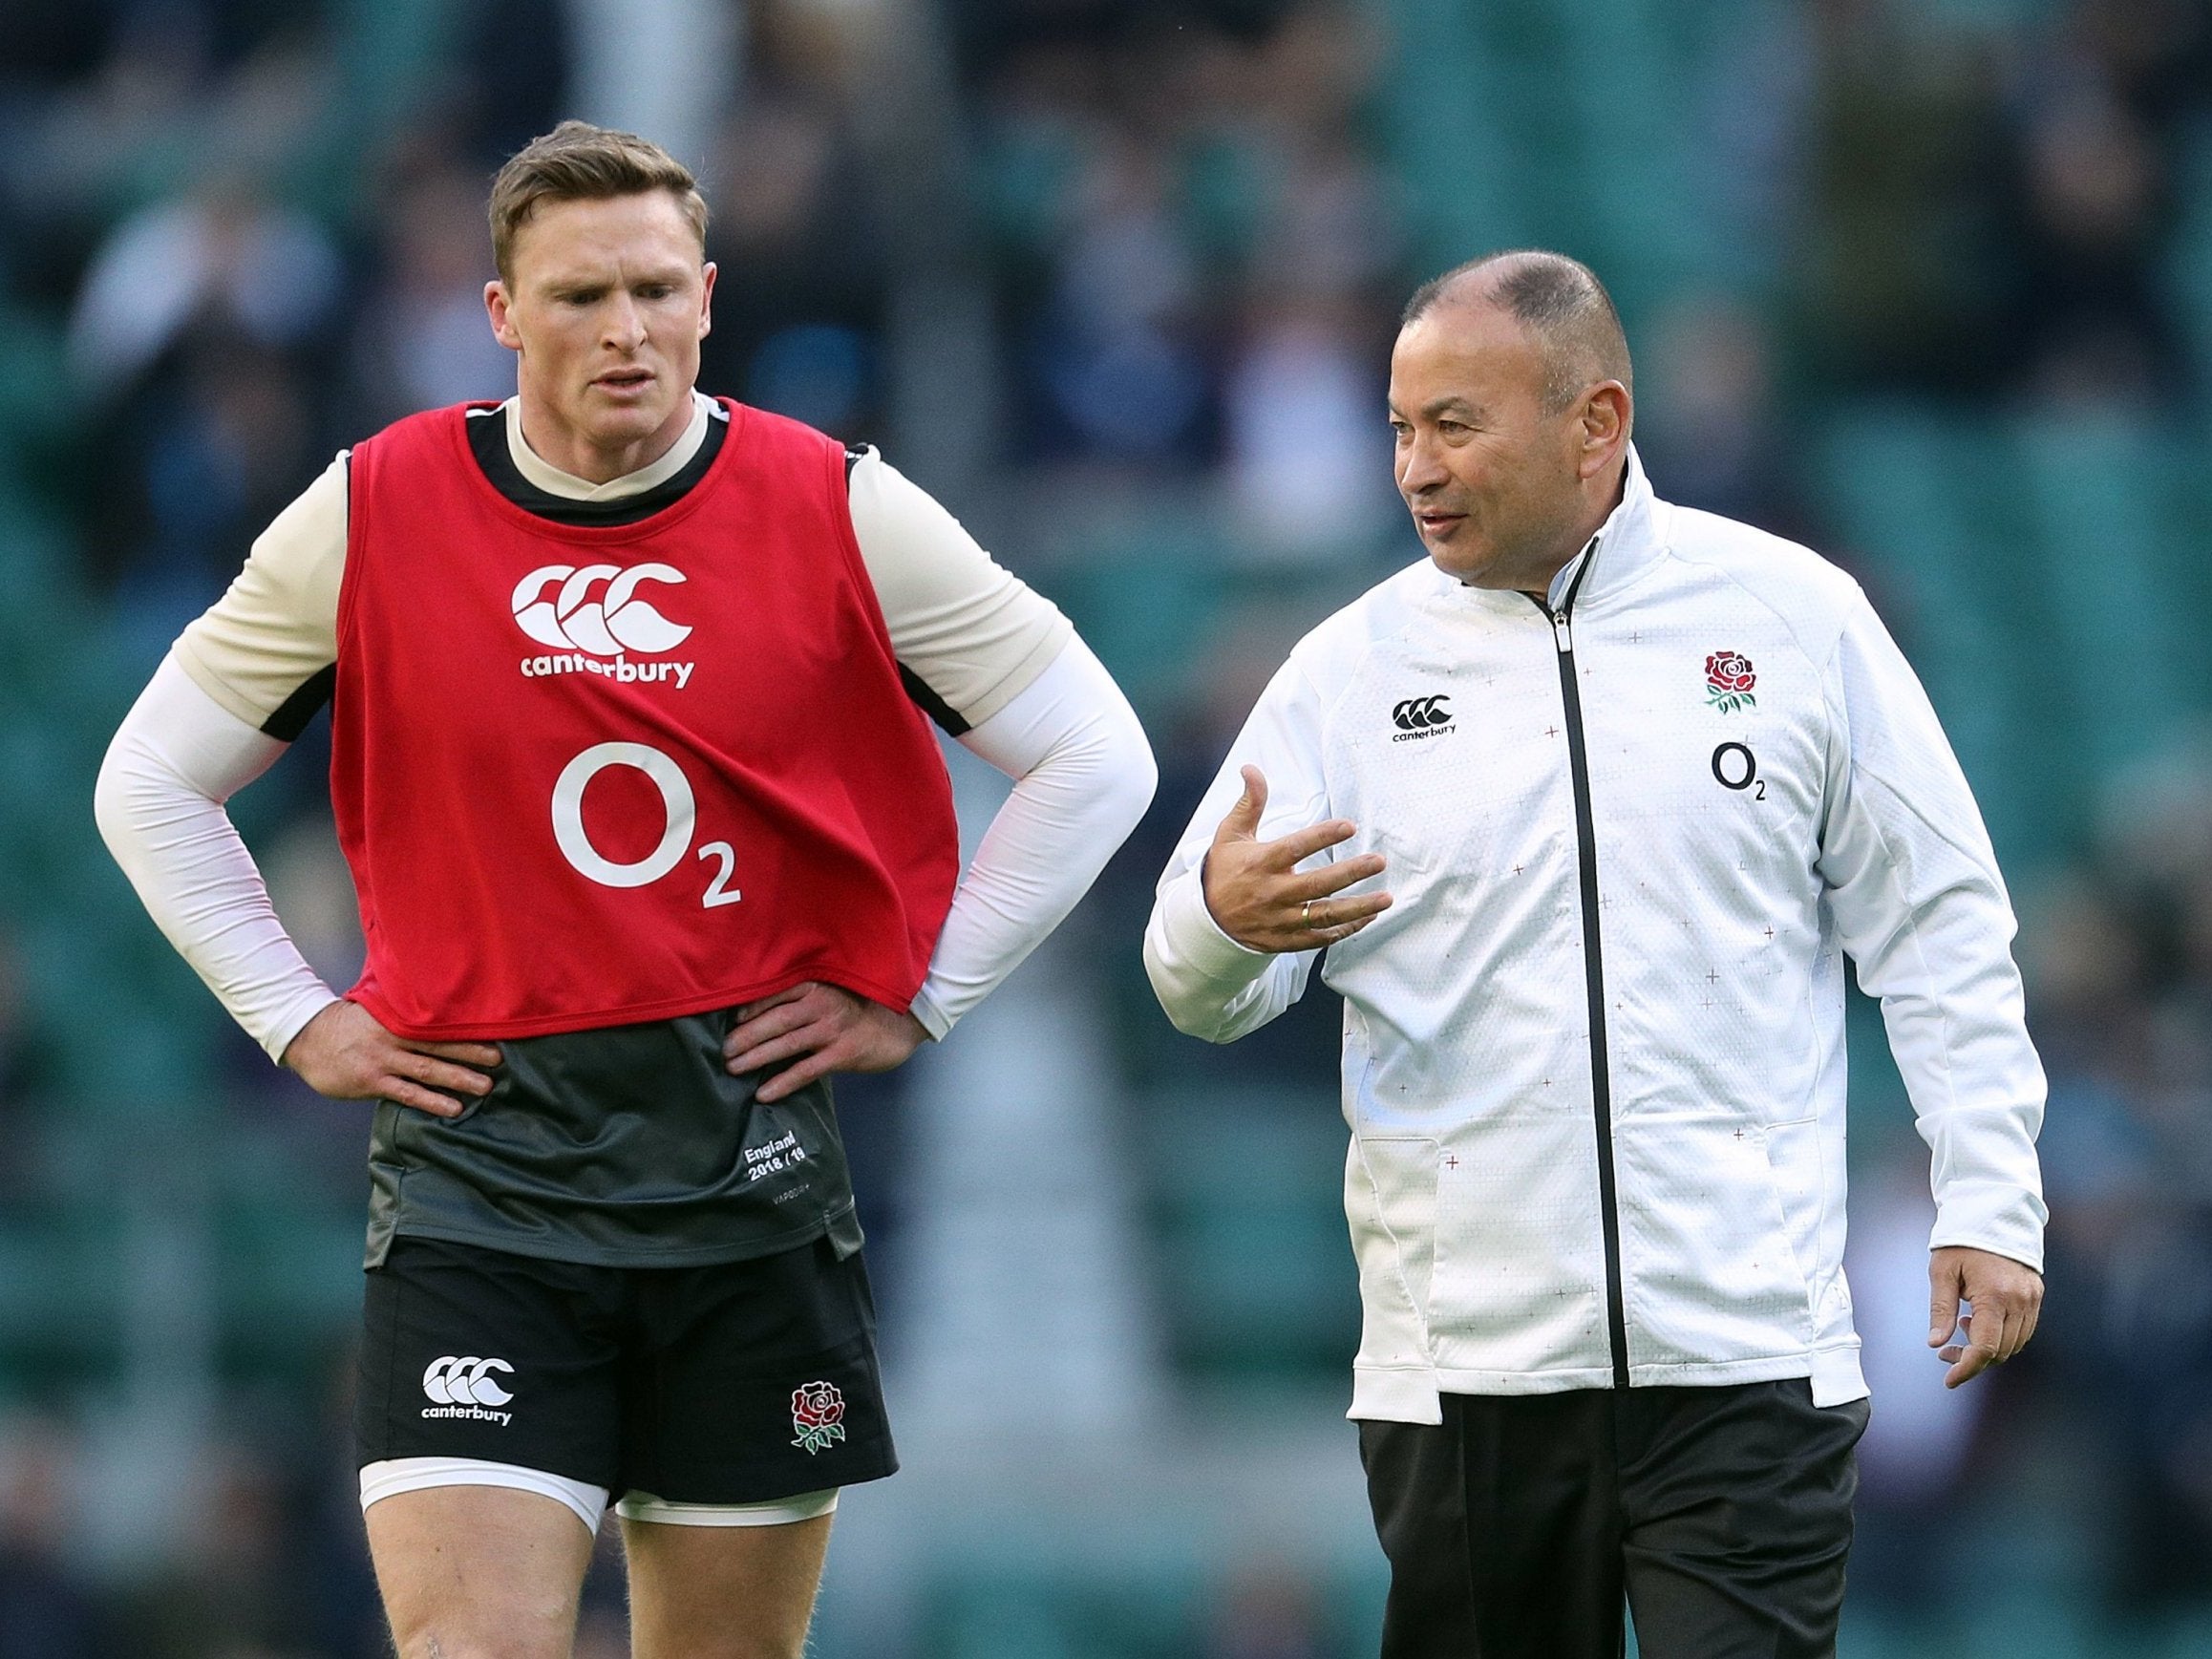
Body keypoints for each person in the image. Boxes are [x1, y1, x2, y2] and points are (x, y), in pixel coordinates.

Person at [96, 121, 1156, 1659]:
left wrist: (930, 988)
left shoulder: (836, 504)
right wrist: (293, 1016)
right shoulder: (374, 508)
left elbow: (1097, 753)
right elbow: (149, 780)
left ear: (710, 296)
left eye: (658, 289)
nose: (627, 329)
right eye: (582, 296)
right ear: (502, 315)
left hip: (746, 1179)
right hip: (483, 1183)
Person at [1143, 250, 2046, 1658]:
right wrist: (1218, 919)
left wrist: (1990, 1192)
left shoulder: (1793, 619)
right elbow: (1192, 979)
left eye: (1455, 424)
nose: (1414, 469)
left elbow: (1938, 917)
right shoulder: (1347, 674)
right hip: (1467, 1375)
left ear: (1597, 422)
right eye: (1398, 426)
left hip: (1746, 1350)